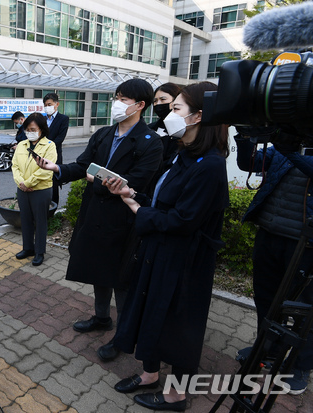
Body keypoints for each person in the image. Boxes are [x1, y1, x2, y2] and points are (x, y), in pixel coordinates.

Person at [105, 82, 229, 412]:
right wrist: (133, 195)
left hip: (184, 264)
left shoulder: (210, 165)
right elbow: (163, 202)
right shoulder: (182, 154)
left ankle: (176, 396)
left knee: (178, 328)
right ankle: (149, 375)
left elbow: (182, 221)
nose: (169, 115)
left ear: (198, 116)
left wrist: (138, 210)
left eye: (176, 109)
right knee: (150, 315)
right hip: (158, 253)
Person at [36, 79, 163, 361]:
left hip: (122, 220)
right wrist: (55, 166)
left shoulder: (150, 142)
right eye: (116, 96)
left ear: (140, 105)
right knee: (98, 271)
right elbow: (83, 166)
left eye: (123, 98)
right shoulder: (104, 134)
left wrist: (102, 181)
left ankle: (123, 337)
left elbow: (137, 183)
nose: (117, 102)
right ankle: (102, 318)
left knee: (122, 280)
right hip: (93, 215)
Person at [234, 129, 313, 394]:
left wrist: (287, 147)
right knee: (266, 298)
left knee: (304, 309)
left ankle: (300, 365)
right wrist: (244, 136)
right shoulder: (289, 145)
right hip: (269, 234)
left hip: (306, 245)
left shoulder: (291, 148)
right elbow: (250, 163)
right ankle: (266, 349)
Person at [12, 113, 57, 267]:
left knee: (40, 221)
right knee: (25, 219)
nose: (29, 132)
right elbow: (15, 166)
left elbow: (46, 170)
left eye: (33, 129)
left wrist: (29, 183)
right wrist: (21, 183)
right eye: (27, 129)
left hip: (40, 190)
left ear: (41, 130)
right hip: (22, 189)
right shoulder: (22, 145)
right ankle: (28, 248)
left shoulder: (50, 145)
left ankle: (39, 252)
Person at [43, 93, 69, 207]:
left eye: (49, 104)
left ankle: (53, 208)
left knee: (53, 184)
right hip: (41, 155)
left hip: (54, 155)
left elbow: (60, 138)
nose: (47, 107)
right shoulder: (42, 119)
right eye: (45, 105)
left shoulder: (63, 119)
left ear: (56, 104)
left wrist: (47, 147)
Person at [148, 83, 183, 165]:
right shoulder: (150, 128)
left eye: (163, 99)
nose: (158, 104)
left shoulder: (182, 129)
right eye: (155, 101)